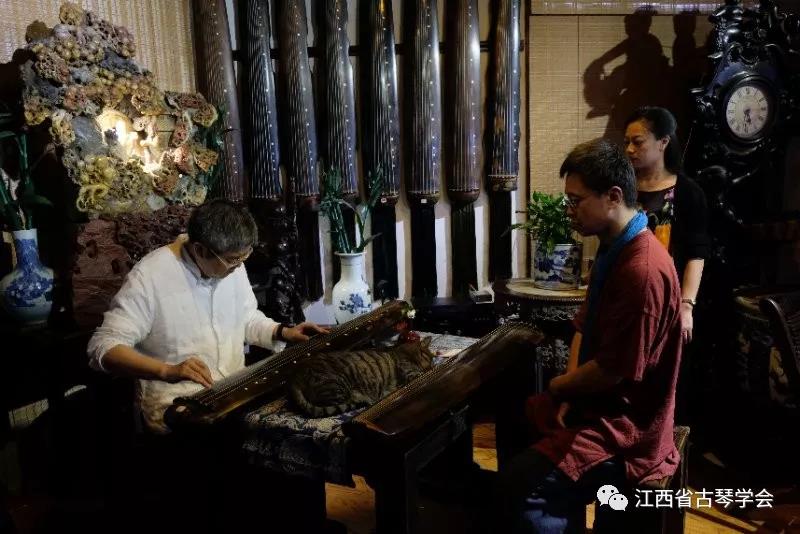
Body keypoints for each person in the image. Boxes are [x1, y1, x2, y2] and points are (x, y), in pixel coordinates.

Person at [497, 138, 683, 533]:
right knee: (518, 417)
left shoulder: (641, 270)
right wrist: (567, 392)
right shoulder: (615, 243)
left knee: (524, 485)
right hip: (600, 403)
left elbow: (613, 371)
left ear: (613, 196)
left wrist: (560, 387)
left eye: (576, 201)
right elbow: (583, 327)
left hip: (628, 429)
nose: (569, 210)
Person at [88, 198, 327, 433]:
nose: (239, 266)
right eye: (233, 260)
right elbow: (103, 346)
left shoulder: (230, 264)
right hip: (178, 409)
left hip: (232, 392)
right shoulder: (149, 277)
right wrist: (167, 371)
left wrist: (282, 332)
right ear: (200, 249)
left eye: (244, 257)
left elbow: (245, 318)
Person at [623, 106, 710, 345]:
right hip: (624, 294)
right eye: (627, 142)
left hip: (665, 299)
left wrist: (686, 305)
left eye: (637, 142)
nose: (629, 149)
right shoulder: (623, 188)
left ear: (663, 142)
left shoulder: (688, 192)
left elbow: (697, 253)